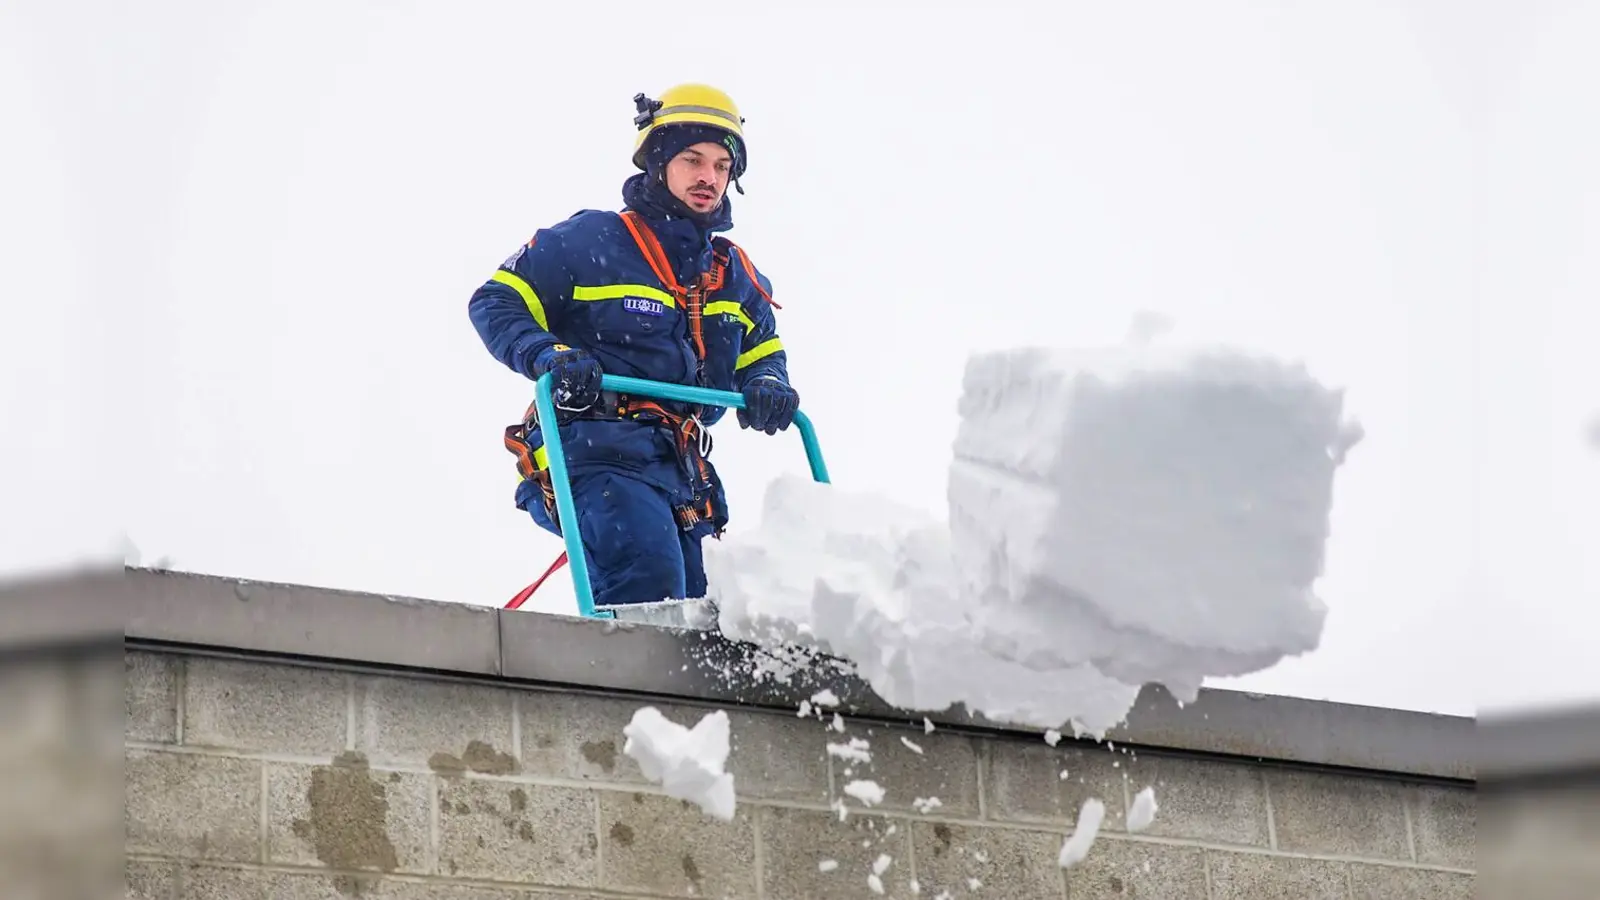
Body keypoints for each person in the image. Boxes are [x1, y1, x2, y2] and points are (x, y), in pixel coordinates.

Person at [467, 83, 801, 621]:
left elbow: (761, 350)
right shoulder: (590, 241)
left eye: (721, 166)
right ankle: (629, 703)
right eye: (692, 160)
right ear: (658, 162)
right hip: (595, 450)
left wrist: (767, 384)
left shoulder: (735, 276)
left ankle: (688, 707)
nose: (707, 178)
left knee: (710, 606)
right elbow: (497, 300)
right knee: (649, 575)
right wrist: (549, 355)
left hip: (683, 469)